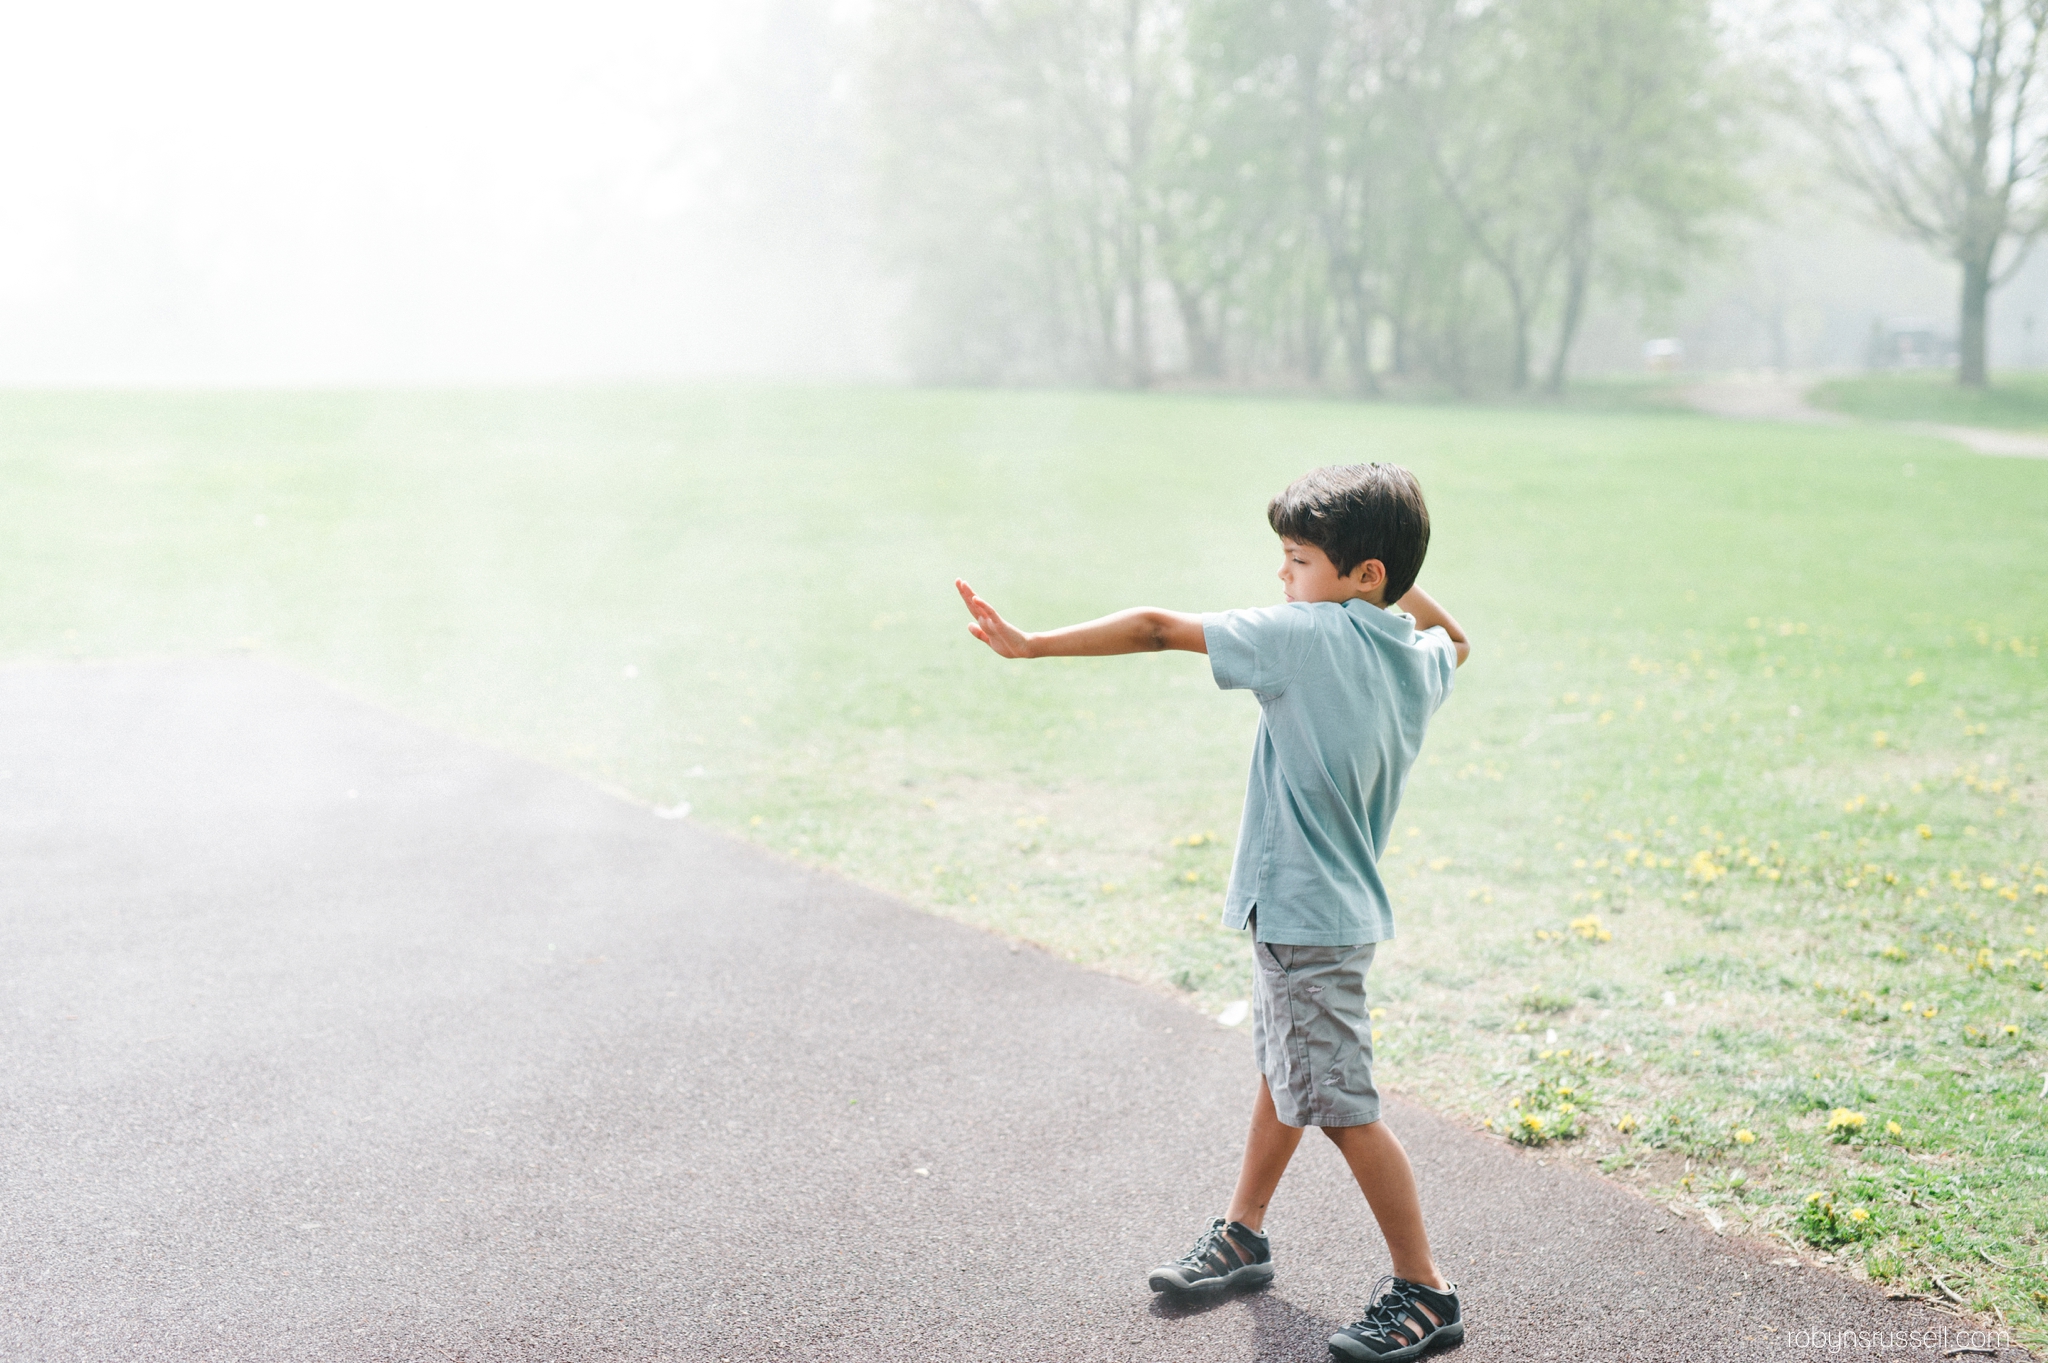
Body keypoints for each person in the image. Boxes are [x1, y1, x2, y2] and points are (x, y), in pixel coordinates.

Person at [954, 462, 1470, 1362]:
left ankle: (1425, 1289)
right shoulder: (1415, 659)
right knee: (1288, 1067)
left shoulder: (1305, 637)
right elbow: (1456, 638)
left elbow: (1157, 627)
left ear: (1362, 573)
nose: (1281, 576)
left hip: (1309, 918)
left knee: (1343, 1105)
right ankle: (1244, 1230)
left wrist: (1032, 644)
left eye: (1298, 558)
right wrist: (1375, 578)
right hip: (1323, 913)